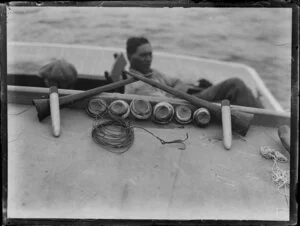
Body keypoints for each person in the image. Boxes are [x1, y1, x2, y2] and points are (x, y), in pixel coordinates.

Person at [124, 36, 263, 108]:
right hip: (184, 106)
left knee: (235, 87)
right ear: (130, 57)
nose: (148, 59)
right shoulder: (137, 85)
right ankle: (267, 119)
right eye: (143, 55)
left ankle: (264, 116)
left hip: (184, 98)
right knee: (235, 86)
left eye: (150, 54)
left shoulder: (150, 73)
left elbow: (177, 82)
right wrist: (177, 91)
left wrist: (175, 91)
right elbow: (168, 104)